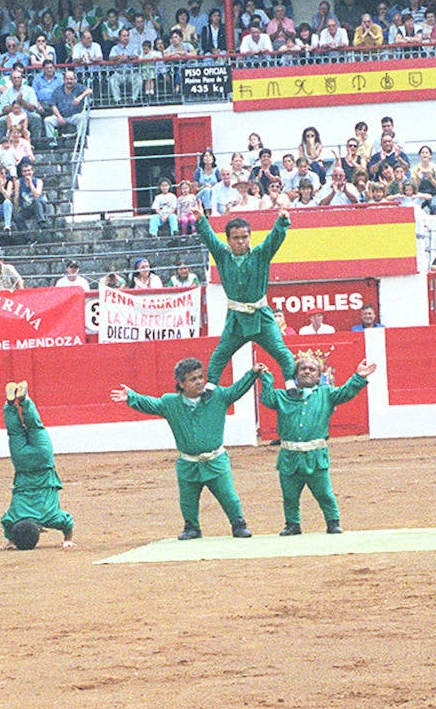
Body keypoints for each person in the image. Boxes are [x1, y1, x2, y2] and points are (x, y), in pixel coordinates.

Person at [110, 357, 264, 540]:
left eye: (200, 377)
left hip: (215, 460)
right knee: (188, 500)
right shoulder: (171, 403)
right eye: (193, 379)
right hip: (188, 463)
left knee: (228, 496)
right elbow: (151, 404)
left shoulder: (217, 396)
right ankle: (191, 527)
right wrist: (132, 397)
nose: (199, 382)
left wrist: (252, 373)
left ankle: (238, 524)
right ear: (181, 384)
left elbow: (236, 391)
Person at [257, 351, 376, 535]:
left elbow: (345, 392)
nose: (307, 372)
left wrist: (358, 377)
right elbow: (266, 399)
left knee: (324, 494)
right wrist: (265, 378)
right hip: (290, 456)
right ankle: (292, 525)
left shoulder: (326, 393)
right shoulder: (283, 396)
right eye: (303, 368)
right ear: (295, 375)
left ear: (319, 376)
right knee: (290, 496)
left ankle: (333, 522)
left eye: (312, 369)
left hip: (315, 455)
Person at [198, 210, 297, 392]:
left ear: (250, 237)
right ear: (228, 240)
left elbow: (273, 240)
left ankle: (291, 384)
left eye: (244, 237)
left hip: (262, 316)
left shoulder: (260, 254)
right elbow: (210, 239)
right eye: (236, 238)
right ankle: (210, 387)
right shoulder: (223, 255)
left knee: (281, 352)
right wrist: (200, 219)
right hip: (236, 319)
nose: (241, 241)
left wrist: (282, 221)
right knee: (220, 355)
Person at [0, 381, 76, 550]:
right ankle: (11, 404)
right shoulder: (13, 518)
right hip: (22, 464)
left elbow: (68, 523)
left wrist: (67, 539)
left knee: (35, 427)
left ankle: (25, 400)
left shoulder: (51, 517)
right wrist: (11, 541)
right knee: (15, 432)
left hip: (43, 461)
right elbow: (6, 524)